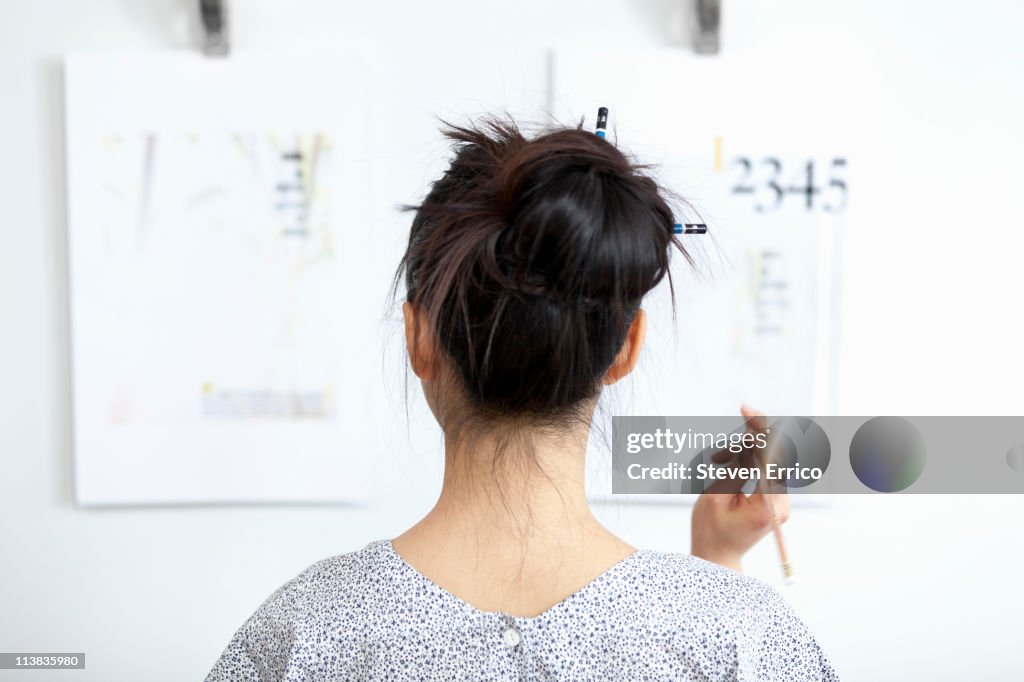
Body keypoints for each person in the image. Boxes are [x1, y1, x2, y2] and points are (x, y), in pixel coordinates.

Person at [206, 117, 838, 681]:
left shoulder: (302, 637)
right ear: (626, 348)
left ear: (419, 337)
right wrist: (717, 569)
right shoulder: (742, 639)